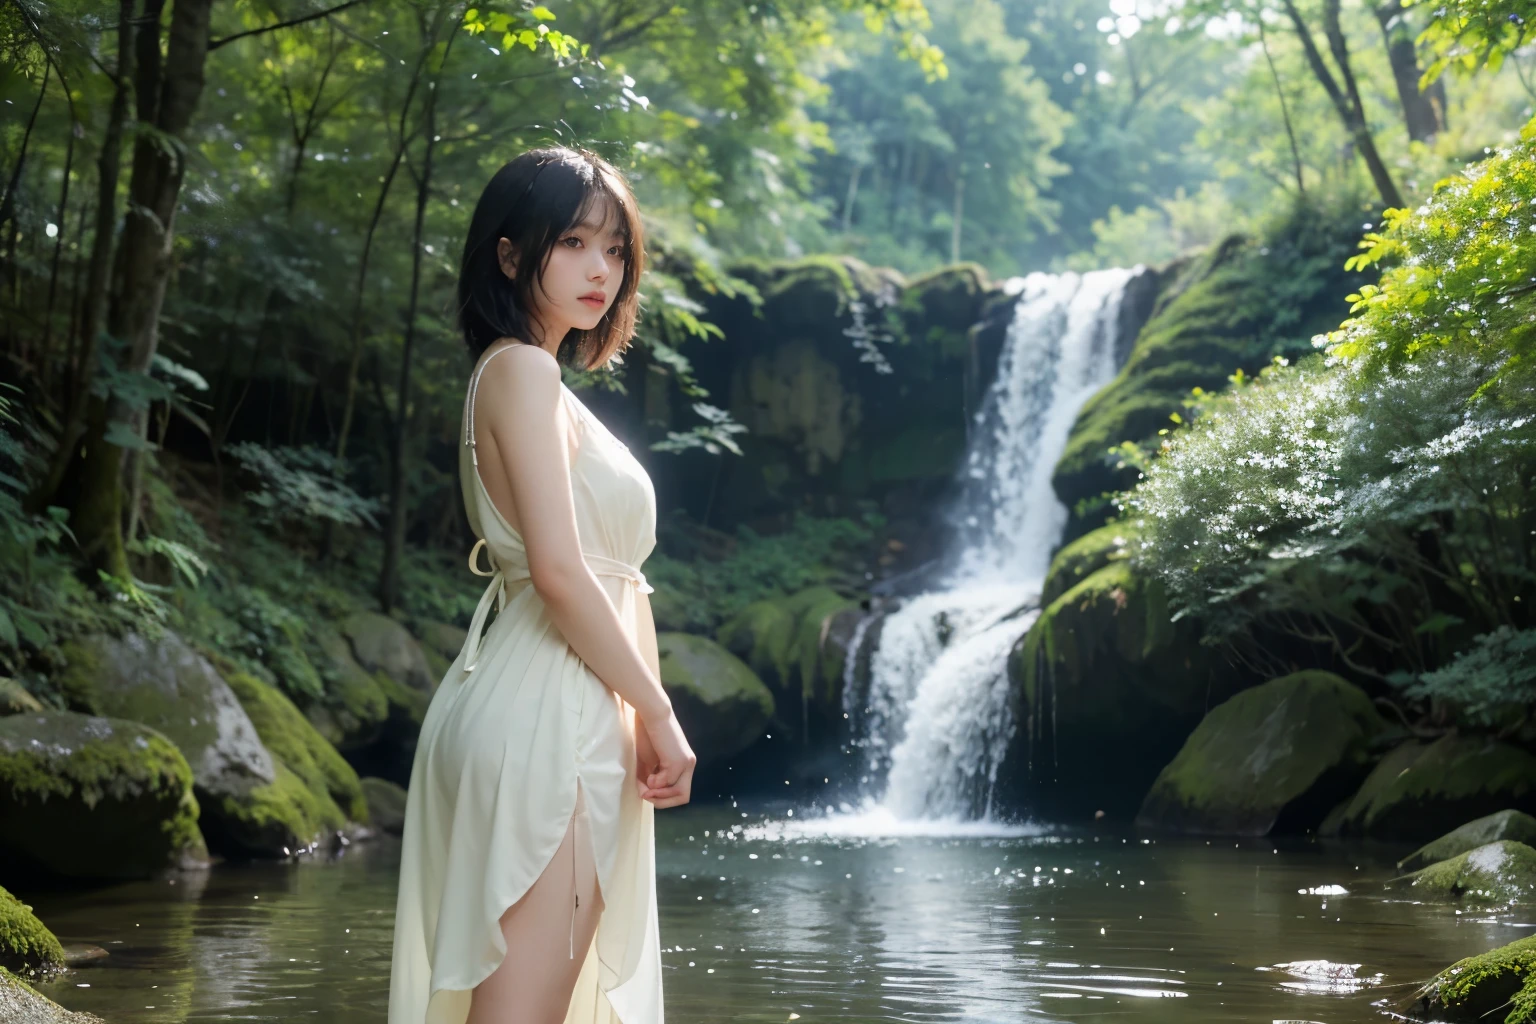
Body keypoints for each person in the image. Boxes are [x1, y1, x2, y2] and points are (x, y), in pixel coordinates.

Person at [388, 146, 697, 1024]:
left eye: (616, 250)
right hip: (550, 716)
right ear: (511, 253)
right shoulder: (523, 370)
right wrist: (662, 714)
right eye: (573, 242)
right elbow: (560, 573)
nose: (602, 268)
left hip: (536, 697)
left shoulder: (526, 377)